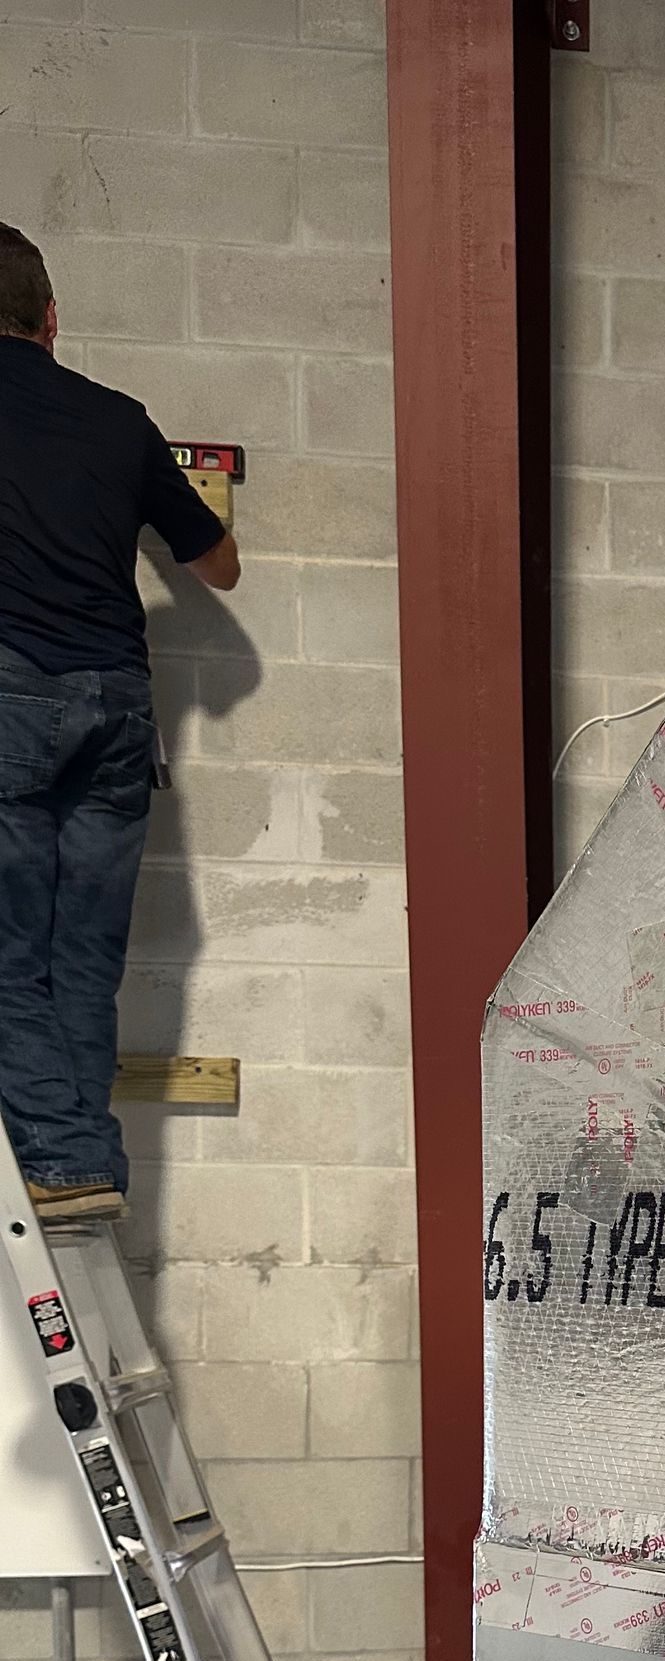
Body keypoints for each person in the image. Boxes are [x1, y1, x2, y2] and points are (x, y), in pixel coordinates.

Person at [0, 222, 240, 1224]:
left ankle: (60, 1158)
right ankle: (89, 1165)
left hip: (12, 700)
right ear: (51, 319)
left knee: (11, 954)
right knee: (85, 962)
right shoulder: (120, 420)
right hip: (118, 707)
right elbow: (220, 565)